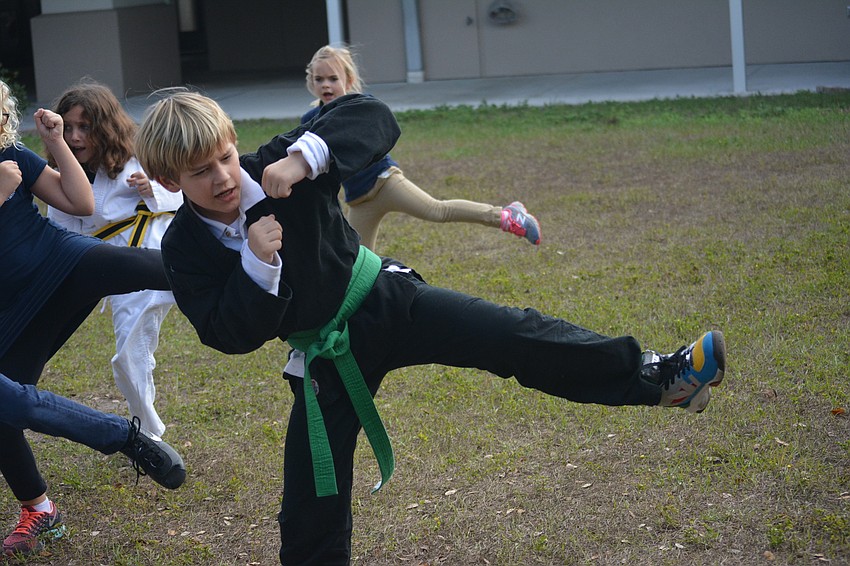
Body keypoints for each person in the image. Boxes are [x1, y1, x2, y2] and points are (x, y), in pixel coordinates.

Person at [135, 89, 727, 565]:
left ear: (235, 145)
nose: (222, 177)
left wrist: (303, 157)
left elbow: (372, 117)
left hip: (384, 299)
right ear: (168, 183)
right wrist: (256, 266)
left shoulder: (273, 166)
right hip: (321, 357)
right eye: (199, 172)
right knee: (311, 499)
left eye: (225, 158)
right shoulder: (186, 247)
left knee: (510, 334)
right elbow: (222, 332)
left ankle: (659, 377)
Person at [0, 81, 179, 556]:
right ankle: (39, 510)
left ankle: (240, 269)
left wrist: (57, 143)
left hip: (59, 261)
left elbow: (82, 205)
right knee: (4, 410)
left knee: (137, 266)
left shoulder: (11, 154)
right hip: (10, 312)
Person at [303, 44, 541, 251]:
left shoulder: (361, 107)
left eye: (333, 79)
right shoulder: (310, 121)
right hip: (359, 200)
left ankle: (507, 216)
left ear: (349, 80)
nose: (326, 85)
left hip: (385, 182)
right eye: (319, 79)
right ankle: (374, 300)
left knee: (437, 211)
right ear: (311, 83)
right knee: (358, 260)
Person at [46, 80, 182, 440]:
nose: (75, 137)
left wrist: (154, 190)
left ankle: (148, 436)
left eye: (85, 127)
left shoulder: (136, 161)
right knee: (129, 358)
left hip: (155, 264)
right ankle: (148, 432)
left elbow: (186, 196)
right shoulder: (63, 175)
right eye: (69, 127)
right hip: (114, 276)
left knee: (130, 357)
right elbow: (60, 232)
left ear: (104, 128)